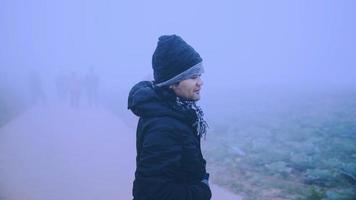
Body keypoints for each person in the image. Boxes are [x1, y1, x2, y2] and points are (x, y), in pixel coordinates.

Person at [128, 35, 211, 200]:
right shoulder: (164, 127)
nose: (200, 82)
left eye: (199, 75)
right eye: (193, 77)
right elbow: (150, 193)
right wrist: (201, 191)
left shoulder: (176, 113)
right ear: (173, 83)